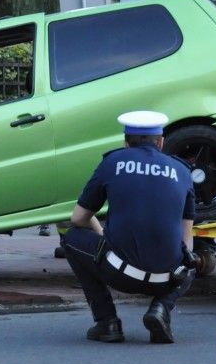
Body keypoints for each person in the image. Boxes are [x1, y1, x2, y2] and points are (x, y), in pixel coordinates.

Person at [61, 110, 199, 344]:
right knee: (190, 262)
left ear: (126, 142)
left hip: (120, 273)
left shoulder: (112, 162)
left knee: (71, 238)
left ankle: (107, 322)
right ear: (161, 142)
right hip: (166, 280)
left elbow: (78, 219)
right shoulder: (183, 171)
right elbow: (187, 241)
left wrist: (102, 237)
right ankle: (161, 308)